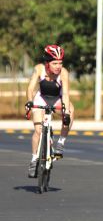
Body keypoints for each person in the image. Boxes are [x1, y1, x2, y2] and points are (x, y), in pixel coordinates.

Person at [25, 45, 74, 177]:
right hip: (41, 99)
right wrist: (30, 102)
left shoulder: (63, 73)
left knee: (70, 109)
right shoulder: (39, 69)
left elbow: (65, 94)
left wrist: (67, 113)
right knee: (38, 131)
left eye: (60, 63)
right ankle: (34, 159)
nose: (58, 66)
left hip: (57, 99)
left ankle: (60, 143)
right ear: (47, 63)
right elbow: (30, 88)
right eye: (55, 63)